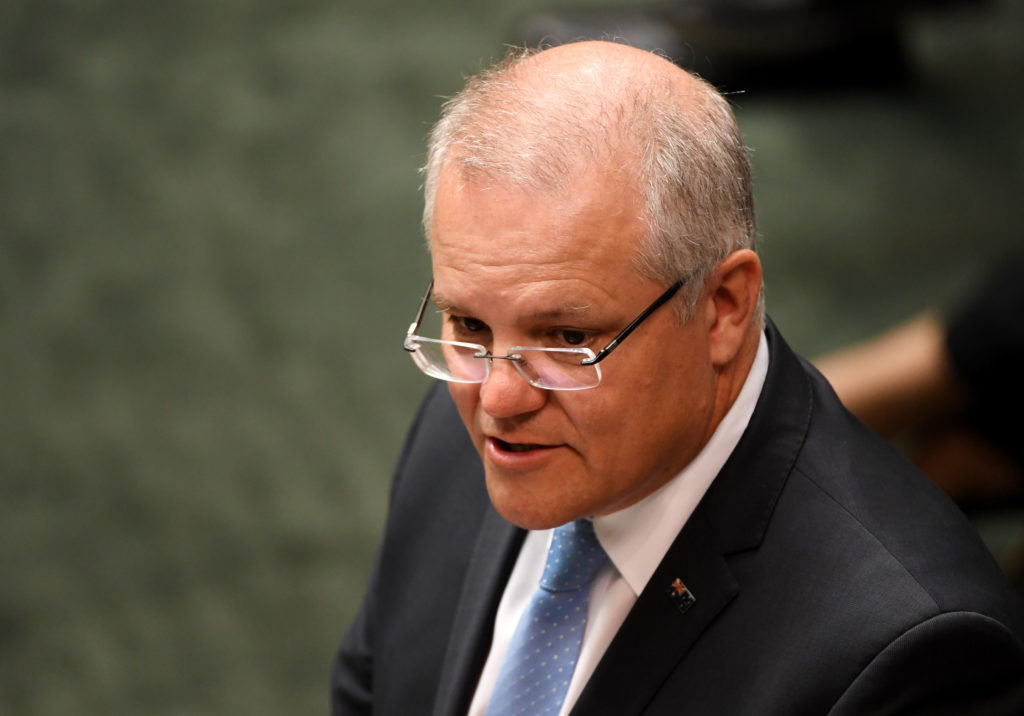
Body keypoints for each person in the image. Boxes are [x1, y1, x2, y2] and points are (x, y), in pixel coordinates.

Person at [332, 41, 1024, 715]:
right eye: (468, 326)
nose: (498, 401)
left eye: (568, 339)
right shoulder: (451, 440)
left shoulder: (907, 651)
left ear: (723, 308)